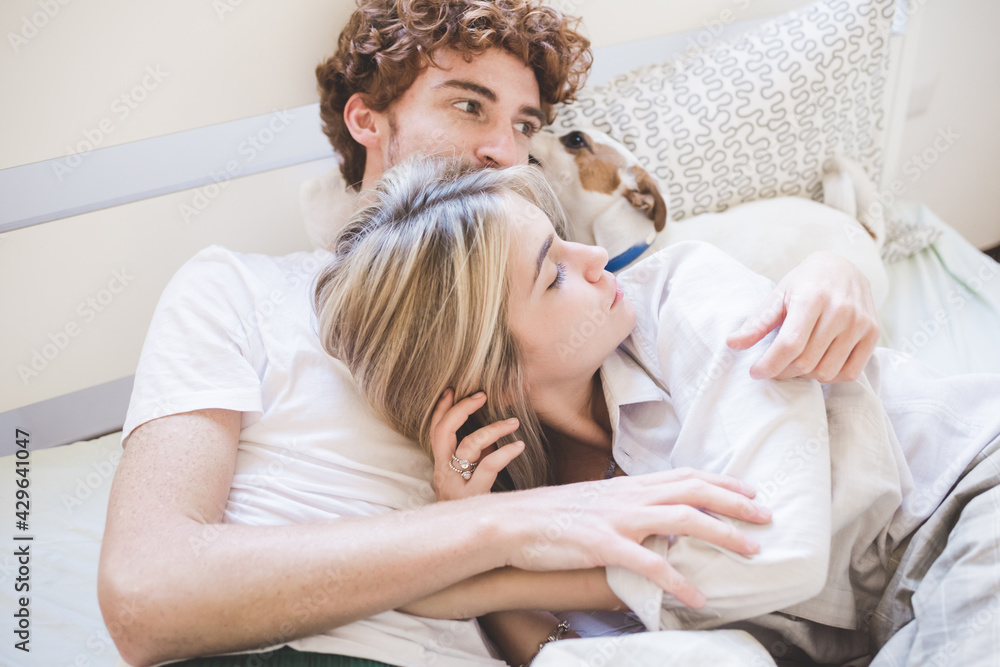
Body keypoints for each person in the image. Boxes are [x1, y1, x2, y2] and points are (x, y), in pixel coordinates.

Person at [98, 1, 884, 665]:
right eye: (468, 105)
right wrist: (502, 525)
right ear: (366, 119)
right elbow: (147, 591)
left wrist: (838, 262)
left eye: (526, 124)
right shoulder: (238, 289)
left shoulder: (567, 309)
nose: (502, 150)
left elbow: (725, 300)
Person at [314, 157, 1000, 666]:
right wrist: (485, 561)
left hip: (967, 498)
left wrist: (489, 577)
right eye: (552, 273)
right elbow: (564, 657)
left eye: (561, 235)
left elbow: (776, 550)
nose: (593, 257)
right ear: (484, 372)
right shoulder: (533, 506)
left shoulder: (685, 294)